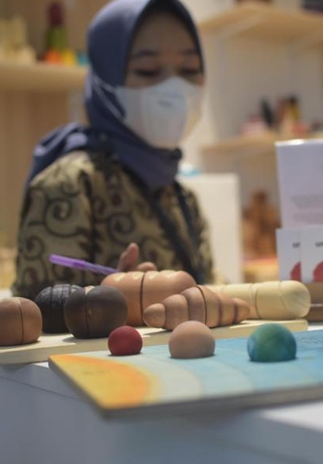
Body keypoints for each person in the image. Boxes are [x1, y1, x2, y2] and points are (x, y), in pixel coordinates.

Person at [12, 0, 214, 299]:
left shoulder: (182, 198)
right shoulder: (70, 185)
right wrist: (113, 300)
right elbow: (34, 317)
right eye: (148, 70)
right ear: (105, 78)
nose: (174, 88)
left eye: (190, 68)